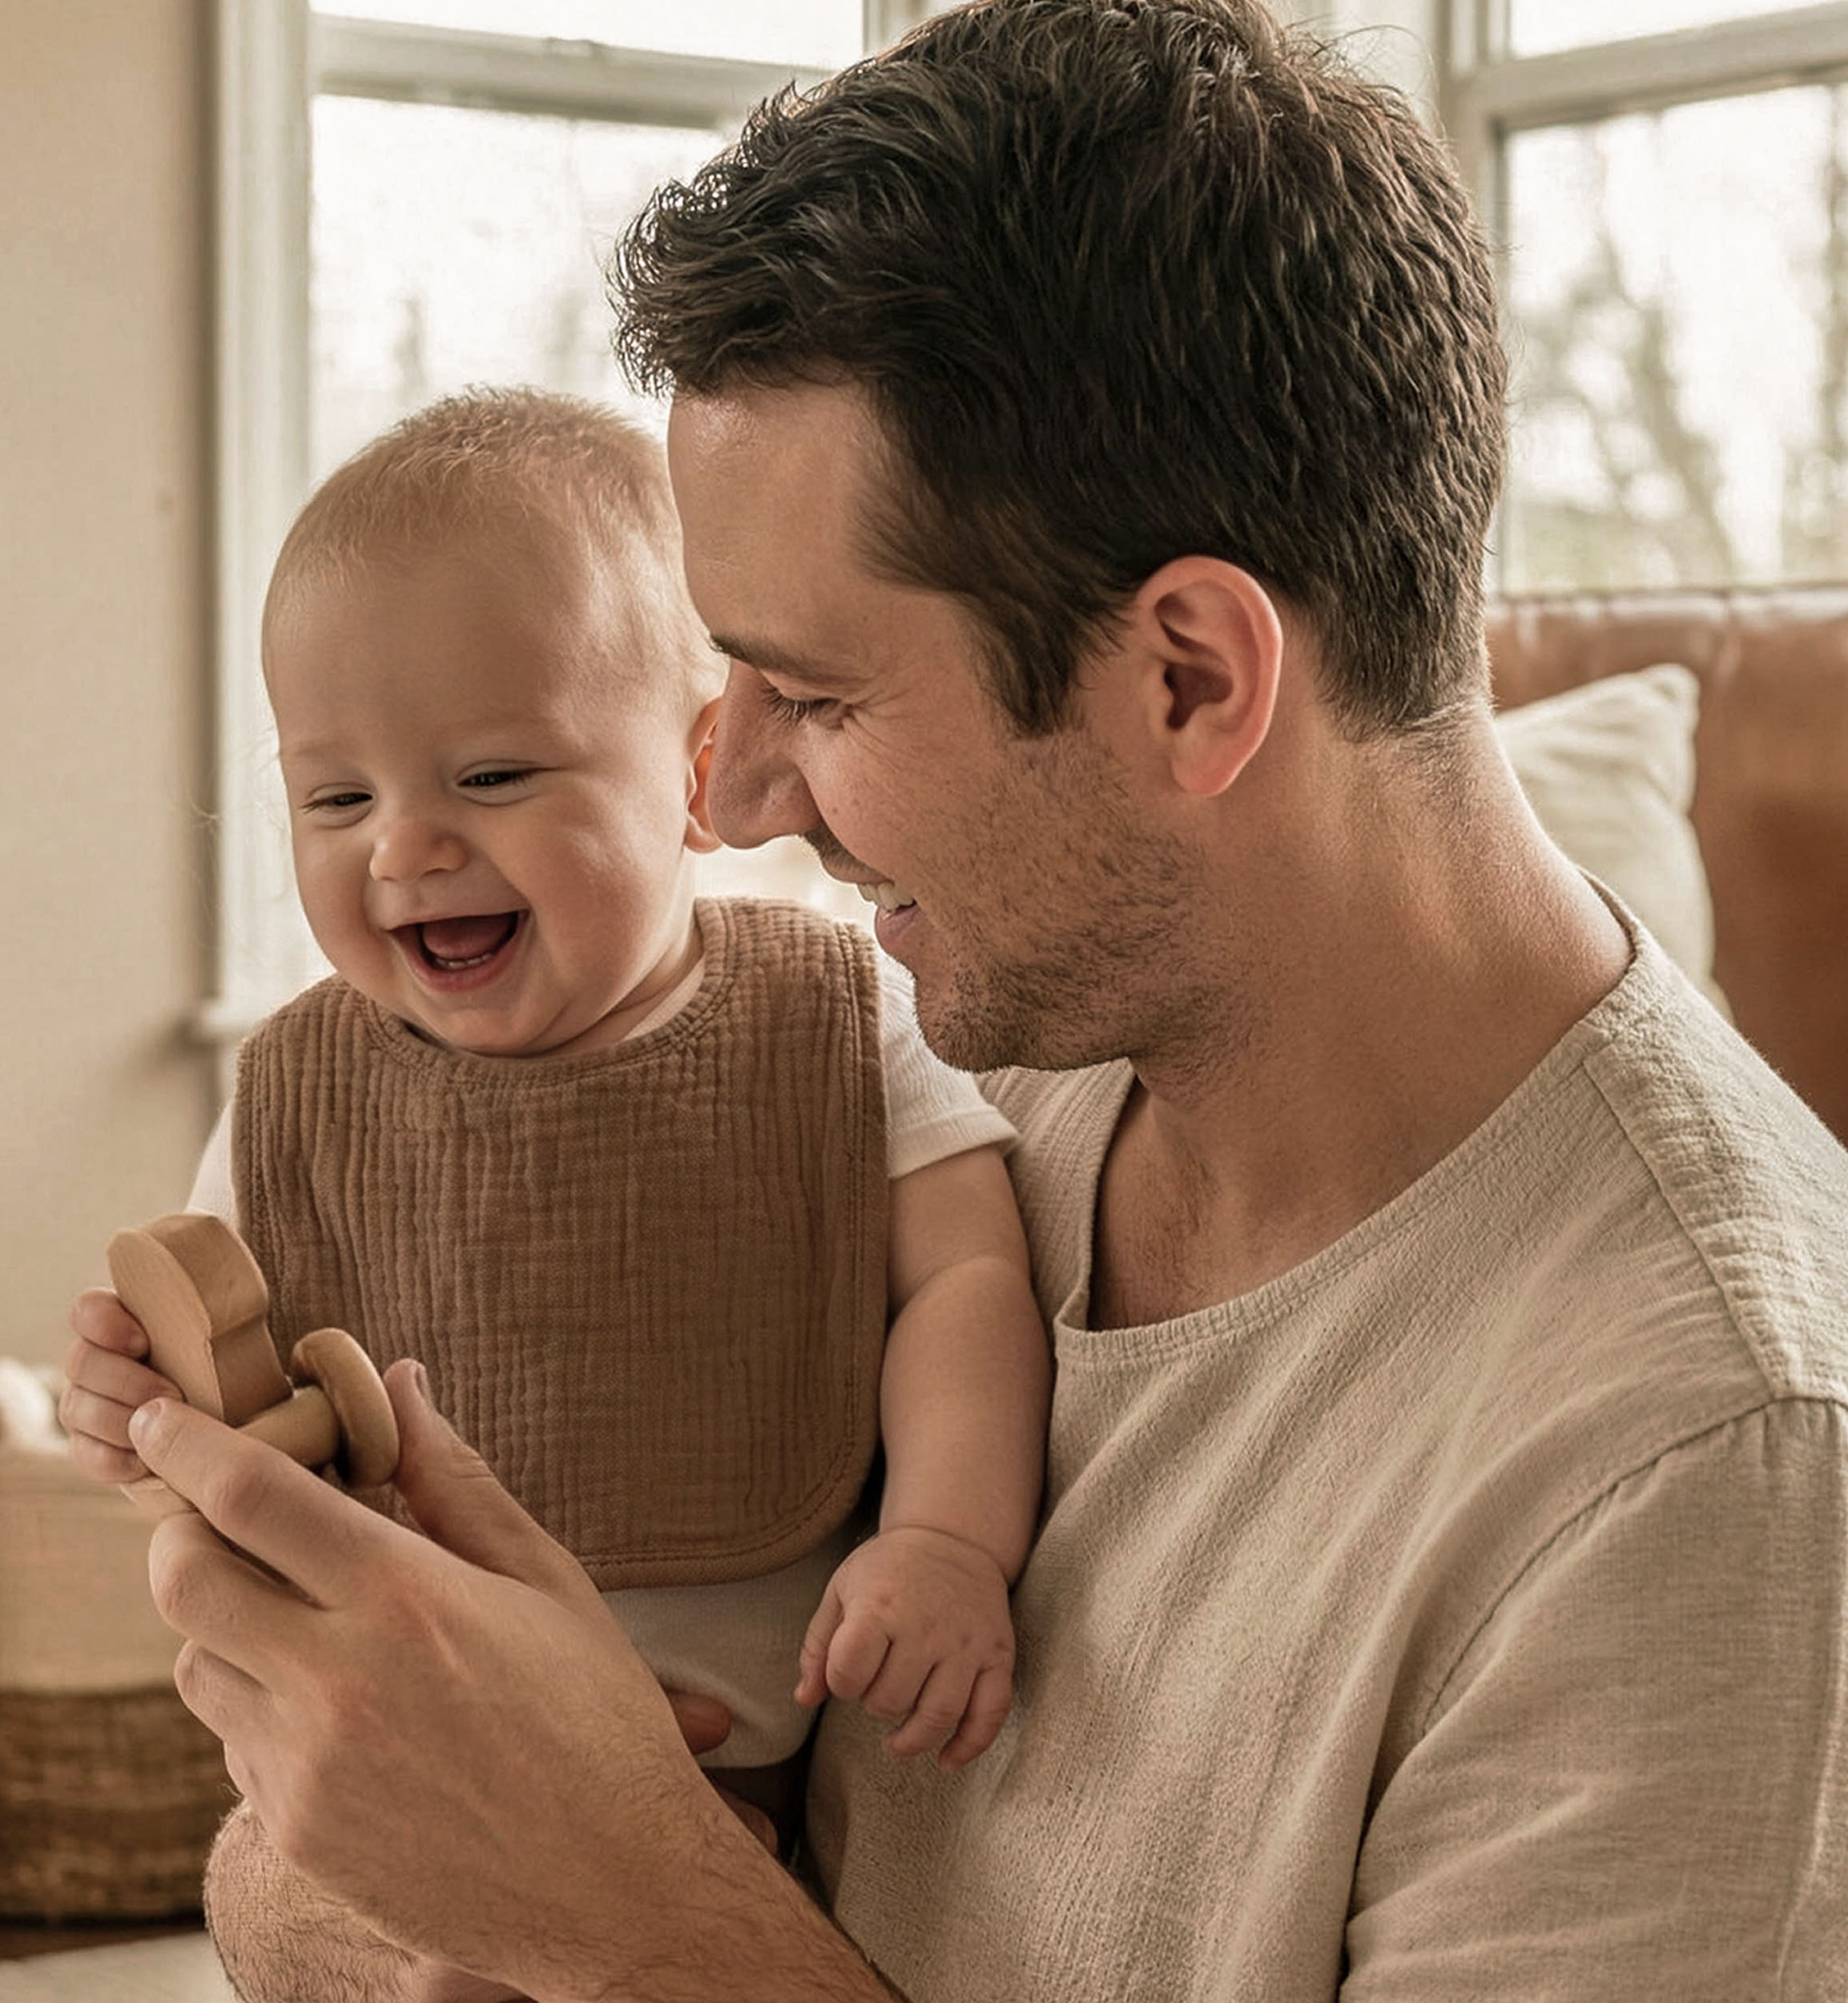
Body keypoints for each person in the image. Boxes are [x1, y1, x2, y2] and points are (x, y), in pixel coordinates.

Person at [122, 1, 1848, 1997]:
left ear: (1188, 678)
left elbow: (600, 1895)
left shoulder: (1701, 1483)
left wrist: (621, 1906)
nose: (736, 800)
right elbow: (371, 1843)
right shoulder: (959, 1063)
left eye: (814, 695)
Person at [61, 388, 1051, 1990]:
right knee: (299, 1906)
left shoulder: (831, 1023)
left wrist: (945, 1536)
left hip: (744, 1788)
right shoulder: (295, 1094)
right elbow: (235, 1406)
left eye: (494, 774)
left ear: (700, 770)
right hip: (394, 1780)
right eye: (336, 798)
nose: (404, 848)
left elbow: (964, 1278)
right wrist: (132, 1416)